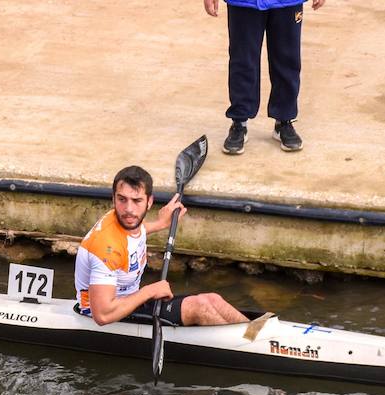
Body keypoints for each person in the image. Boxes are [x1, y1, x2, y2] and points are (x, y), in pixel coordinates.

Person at [74, 166, 247, 329]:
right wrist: (150, 291)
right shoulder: (106, 247)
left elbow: (134, 232)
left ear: (149, 202)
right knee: (200, 308)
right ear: (113, 199)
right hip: (104, 312)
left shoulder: (125, 221)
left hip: (129, 301)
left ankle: (257, 336)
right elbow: (102, 316)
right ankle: (252, 350)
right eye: (122, 199)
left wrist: (161, 223)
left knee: (213, 300)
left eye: (137, 200)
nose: (128, 209)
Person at [205, 0, 326, 154]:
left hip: (287, 3)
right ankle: (239, 122)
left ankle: (284, 119)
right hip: (244, 3)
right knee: (243, 60)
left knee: (287, 59)